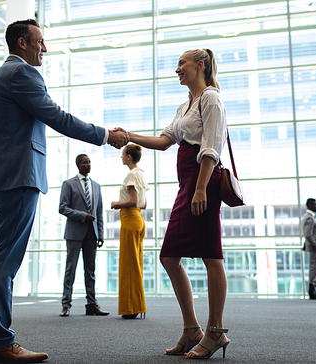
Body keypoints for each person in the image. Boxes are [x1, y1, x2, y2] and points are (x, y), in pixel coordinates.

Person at [0, 19, 127, 363]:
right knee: (3, 260)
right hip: (19, 177)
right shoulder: (22, 74)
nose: (44, 48)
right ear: (22, 43)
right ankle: (0, 341)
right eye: (40, 41)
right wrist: (105, 135)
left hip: (3, 176)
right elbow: (57, 117)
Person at [120, 48, 230, 359]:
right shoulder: (185, 105)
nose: (177, 69)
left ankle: (216, 331)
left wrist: (201, 188)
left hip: (202, 182)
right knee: (169, 256)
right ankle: (191, 329)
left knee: (211, 256)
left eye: (181, 63)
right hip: (188, 185)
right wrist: (129, 135)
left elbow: (212, 147)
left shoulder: (211, 98)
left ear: (200, 65)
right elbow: (165, 141)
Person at [59, 154, 109, 317]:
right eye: (84, 162)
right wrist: (83, 216)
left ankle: (91, 305)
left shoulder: (96, 186)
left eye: (89, 162)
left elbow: (99, 212)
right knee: (70, 270)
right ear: (78, 165)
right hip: (74, 233)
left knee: (91, 271)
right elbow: (63, 208)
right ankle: (66, 305)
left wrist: (100, 234)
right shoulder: (68, 184)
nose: (88, 165)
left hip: (91, 234)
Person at [111, 144, 149, 319]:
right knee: (136, 263)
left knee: (128, 264)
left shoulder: (132, 174)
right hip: (138, 219)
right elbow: (143, 204)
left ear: (128, 157)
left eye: (122, 154)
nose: (121, 157)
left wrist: (116, 203)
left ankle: (131, 308)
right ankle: (136, 305)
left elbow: (133, 201)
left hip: (130, 219)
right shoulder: (140, 174)